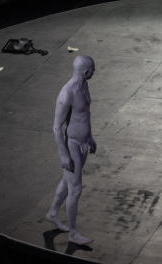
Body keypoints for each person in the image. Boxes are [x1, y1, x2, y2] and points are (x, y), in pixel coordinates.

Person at [45, 55, 97, 245]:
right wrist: (64, 155)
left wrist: (90, 136)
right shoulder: (67, 93)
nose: (94, 71)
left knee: (67, 182)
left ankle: (52, 212)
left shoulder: (84, 86)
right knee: (75, 189)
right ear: (86, 71)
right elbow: (57, 127)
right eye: (93, 69)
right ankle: (73, 233)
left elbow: (85, 115)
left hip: (83, 142)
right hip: (72, 144)